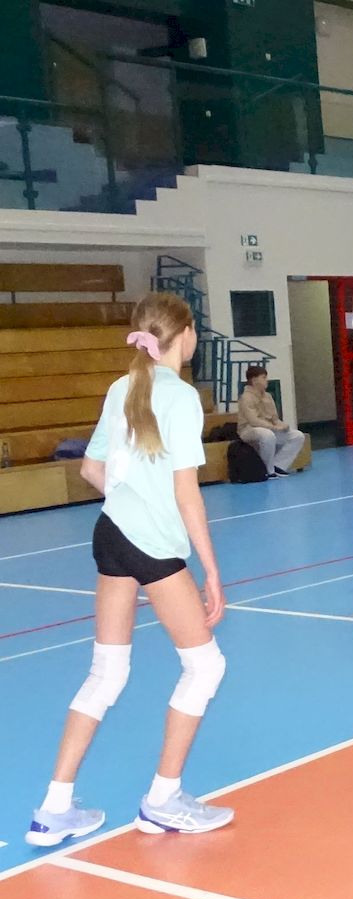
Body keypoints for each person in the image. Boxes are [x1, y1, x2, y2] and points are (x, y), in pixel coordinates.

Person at [24, 293, 233, 845]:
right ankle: (163, 799)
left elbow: (91, 468)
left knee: (106, 672)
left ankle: (53, 809)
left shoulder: (122, 387)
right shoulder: (181, 397)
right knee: (205, 667)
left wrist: (128, 497)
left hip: (111, 534)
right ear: (184, 334)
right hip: (151, 545)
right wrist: (211, 570)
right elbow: (186, 492)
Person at [237, 365, 305, 477]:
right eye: (263, 377)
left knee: (297, 436)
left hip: (268, 428)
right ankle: (268, 470)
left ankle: (278, 465)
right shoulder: (246, 397)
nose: (266, 380)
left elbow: (275, 419)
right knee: (268, 435)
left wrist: (283, 425)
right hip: (249, 430)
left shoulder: (268, 396)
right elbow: (253, 421)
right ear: (254, 380)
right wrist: (274, 427)